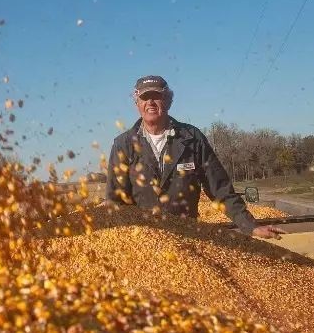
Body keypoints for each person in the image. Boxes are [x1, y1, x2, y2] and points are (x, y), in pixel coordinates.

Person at [105, 74, 287, 240]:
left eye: (157, 96)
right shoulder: (124, 144)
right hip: (143, 242)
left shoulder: (192, 138)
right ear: (137, 103)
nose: (150, 102)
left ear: (168, 101)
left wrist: (250, 226)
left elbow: (220, 190)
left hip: (189, 238)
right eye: (144, 97)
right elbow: (115, 201)